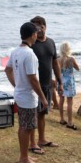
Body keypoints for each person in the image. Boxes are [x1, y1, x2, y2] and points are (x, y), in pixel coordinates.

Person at [5, 22, 48, 163]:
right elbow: (33, 79)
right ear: (32, 35)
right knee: (26, 127)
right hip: (27, 96)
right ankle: (24, 158)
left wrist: (16, 84)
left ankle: (24, 156)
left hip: (20, 93)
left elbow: (7, 70)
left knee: (24, 125)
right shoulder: (29, 54)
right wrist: (43, 97)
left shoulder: (16, 51)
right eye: (36, 33)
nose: (37, 35)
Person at [30, 16, 62, 153]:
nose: (39, 29)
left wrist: (59, 81)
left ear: (45, 27)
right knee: (32, 114)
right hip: (34, 86)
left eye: (41, 26)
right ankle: (32, 143)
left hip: (47, 85)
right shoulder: (31, 44)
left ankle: (41, 139)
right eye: (35, 27)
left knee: (42, 113)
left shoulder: (51, 42)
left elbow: (55, 63)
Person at [59, 42, 80, 130]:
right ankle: (70, 122)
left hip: (61, 81)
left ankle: (62, 119)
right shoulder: (71, 59)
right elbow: (78, 68)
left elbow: (57, 70)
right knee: (69, 102)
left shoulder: (58, 59)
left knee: (61, 99)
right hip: (69, 82)